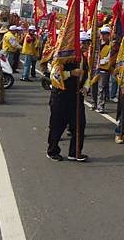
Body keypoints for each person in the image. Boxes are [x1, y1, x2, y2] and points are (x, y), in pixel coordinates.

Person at [46, 31, 90, 162]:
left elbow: (87, 75)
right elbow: (54, 76)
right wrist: (71, 73)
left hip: (76, 97)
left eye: (88, 43)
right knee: (57, 125)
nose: (86, 46)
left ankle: (75, 152)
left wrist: (86, 87)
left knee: (79, 124)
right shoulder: (63, 57)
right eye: (83, 43)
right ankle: (52, 150)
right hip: (61, 96)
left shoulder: (83, 58)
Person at [94, 25, 111, 113]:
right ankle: (95, 104)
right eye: (102, 33)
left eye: (106, 34)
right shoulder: (97, 44)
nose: (104, 35)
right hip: (95, 68)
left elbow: (108, 59)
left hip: (104, 69)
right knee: (95, 87)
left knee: (101, 88)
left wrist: (99, 62)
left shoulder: (110, 46)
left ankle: (101, 106)